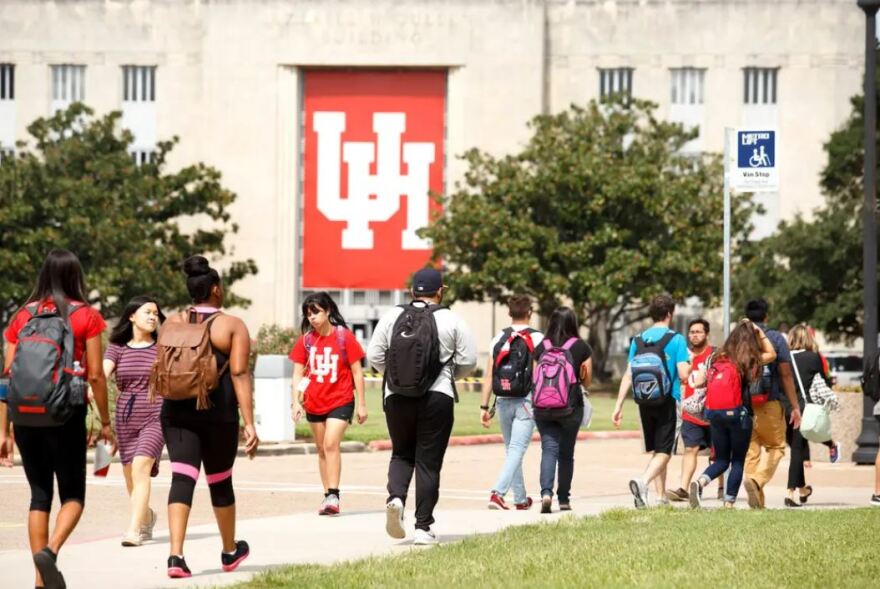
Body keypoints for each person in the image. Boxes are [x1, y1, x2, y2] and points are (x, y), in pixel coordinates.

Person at [0, 249, 114, 589]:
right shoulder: (86, 316)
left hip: (25, 417)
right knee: (73, 495)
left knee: (39, 495)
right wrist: (106, 423)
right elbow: (95, 375)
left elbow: (7, 378)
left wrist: (3, 430)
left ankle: (39, 580)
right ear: (75, 276)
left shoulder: (22, 316)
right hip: (66, 413)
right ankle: (50, 552)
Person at [159, 255, 259, 578]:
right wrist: (250, 422)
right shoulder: (231, 326)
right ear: (215, 289)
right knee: (220, 480)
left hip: (176, 412)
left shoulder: (172, 322)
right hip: (218, 414)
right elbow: (240, 373)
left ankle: (176, 556)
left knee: (182, 478)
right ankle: (230, 551)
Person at [367, 267, 476, 545]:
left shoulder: (392, 315)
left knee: (401, 453)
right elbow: (468, 361)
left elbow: (374, 355)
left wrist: (395, 377)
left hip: (396, 396)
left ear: (412, 291)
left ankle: (395, 498)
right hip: (437, 396)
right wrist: (447, 376)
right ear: (440, 291)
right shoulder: (451, 319)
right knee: (428, 462)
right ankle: (423, 527)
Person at [290, 292, 367, 516]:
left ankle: (334, 493)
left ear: (328, 311)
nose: (312, 317)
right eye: (308, 314)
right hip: (314, 401)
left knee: (331, 443)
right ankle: (327, 498)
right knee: (322, 449)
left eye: (316, 312)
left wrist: (361, 404)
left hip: (341, 400)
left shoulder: (344, 337)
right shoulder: (306, 341)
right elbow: (297, 374)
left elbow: (357, 373)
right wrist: (295, 402)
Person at [688, 319, 776, 508]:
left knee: (720, 459)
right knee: (737, 460)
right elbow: (772, 353)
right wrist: (759, 332)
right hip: (739, 415)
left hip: (715, 414)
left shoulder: (716, 356)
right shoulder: (747, 358)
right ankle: (729, 503)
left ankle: (701, 481)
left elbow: (699, 382)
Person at [612, 294, 689, 509]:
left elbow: (628, 374)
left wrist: (618, 405)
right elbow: (683, 374)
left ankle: (661, 496)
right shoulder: (677, 339)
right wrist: (693, 367)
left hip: (644, 400)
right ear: (669, 314)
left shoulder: (638, 339)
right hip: (667, 399)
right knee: (665, 452)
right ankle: (643, 482)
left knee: (657, 448)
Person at [104, 296, 166, 546]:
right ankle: (147, 517)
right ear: (131, 316)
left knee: (141, 468)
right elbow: (103, 372)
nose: (153, 316)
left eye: (156, 313)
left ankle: (133, 531)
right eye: (147, 312)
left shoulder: (162, 347)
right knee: (130, 476)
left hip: (156, 412)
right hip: (125, 416)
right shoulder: (117, 348)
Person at [479, 294, 543, 510]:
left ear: (509, 313)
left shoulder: (498, 338)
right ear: (530, 312)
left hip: (503, 398)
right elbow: (540, 374)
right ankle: (498, 493)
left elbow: (489, 375)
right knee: (516, 449)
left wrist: (484, 406)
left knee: (512, 450)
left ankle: (521, 499)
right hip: (526, 399)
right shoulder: (538, 339)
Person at [742, 298, 802, 509]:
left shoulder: (739, 338)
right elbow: (785, 374)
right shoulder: (775, 338)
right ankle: (757, 480)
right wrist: (795, 406)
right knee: (776, 447)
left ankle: (757, 501)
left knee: (752, 449)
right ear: (766, 316)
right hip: (769, 402)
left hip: (745, 404)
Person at [532, 306, 592, 513]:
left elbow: (534, 378)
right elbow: (588, 380)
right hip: (570, 407)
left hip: (543, 407)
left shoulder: (542, 346)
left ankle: (546, 493)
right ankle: (564, 499)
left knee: (548, 450)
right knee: (566, 453)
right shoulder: (581, 346)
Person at [666, 318, 723, 502]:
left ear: (706, 334)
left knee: (718, 453)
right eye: (691, 332)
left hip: (713, 411)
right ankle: (683, 488)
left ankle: (722, 488)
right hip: (691, 412)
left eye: (698, 332)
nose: (694, 335)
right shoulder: (684, 355)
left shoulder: (715, 354)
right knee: (690, 449)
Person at [784, 324, 833, 507]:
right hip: (803, 408)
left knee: (797, 446)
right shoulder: (813, 358)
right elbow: (824, 382)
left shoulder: (784, 358)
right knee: (797, 450)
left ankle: (803, 489)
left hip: (785, 408)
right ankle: (789, 494)